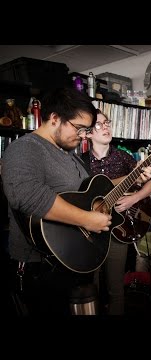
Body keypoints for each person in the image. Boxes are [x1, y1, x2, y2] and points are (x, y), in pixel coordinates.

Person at [1, 87, 112, 315]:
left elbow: (85, 195)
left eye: (87, 130)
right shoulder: (24, 149)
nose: (83, 136)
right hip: (41, 268)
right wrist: (87, 220)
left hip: (72, 261)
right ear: (54, 118)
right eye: (80, 129)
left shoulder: (67, 154)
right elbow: (26, 194)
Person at [81, 109, 151, 315]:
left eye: (107, 123)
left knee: (116, 287)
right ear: (87, 133)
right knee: (91, 287)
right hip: (90, 231)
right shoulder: (80, 162)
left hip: (119, 229)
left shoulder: (123, 157)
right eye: (99, 124)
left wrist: (134, 198)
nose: (106, 127)